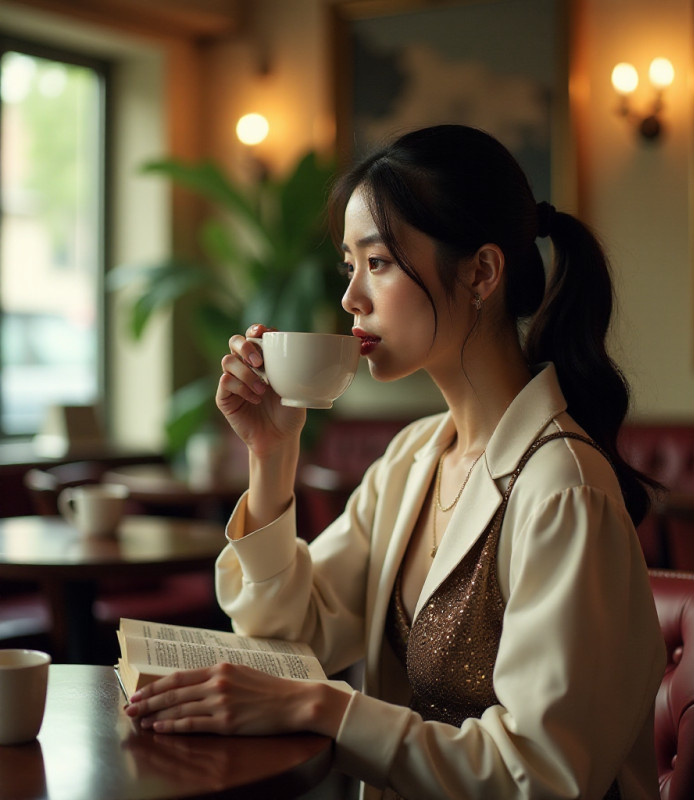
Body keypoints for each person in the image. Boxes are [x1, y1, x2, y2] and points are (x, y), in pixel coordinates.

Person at [125, 124, 666, 799]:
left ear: (482, 272)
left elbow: (542, 776)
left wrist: (321, 708)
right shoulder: (414, 456)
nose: (351, 297)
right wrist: (272, 453)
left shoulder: (563, 490)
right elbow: (292, 639)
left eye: (376, 262)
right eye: (349, 265)